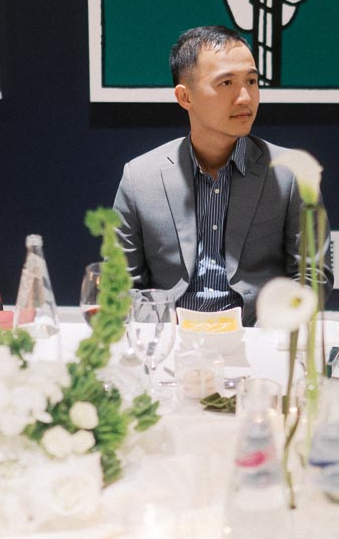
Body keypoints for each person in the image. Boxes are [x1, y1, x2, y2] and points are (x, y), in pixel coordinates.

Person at [112, 25, 327, 326]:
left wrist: (265, 334)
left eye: (251, 81)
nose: (245, 97)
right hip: (171, 339)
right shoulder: (140, 178)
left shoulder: (289, 175)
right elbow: (120, 289)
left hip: (256, 338)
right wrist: (166, 332)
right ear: (185, 97)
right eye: (226, 83)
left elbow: (312, 278)